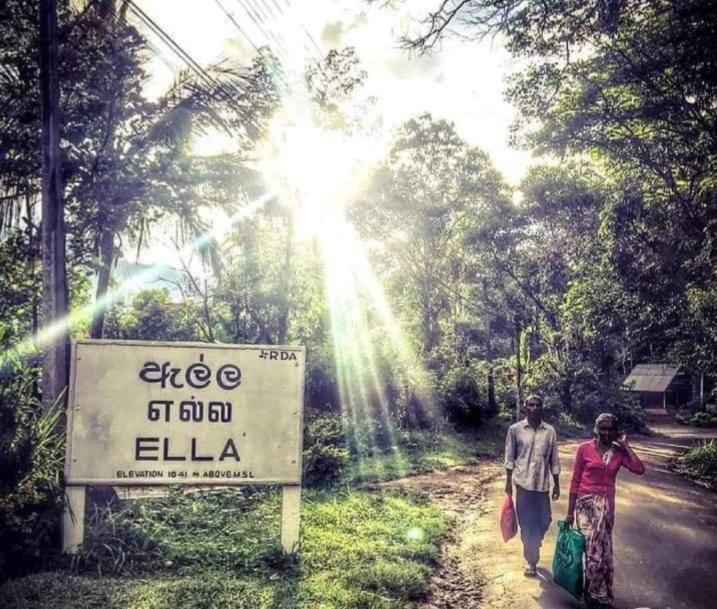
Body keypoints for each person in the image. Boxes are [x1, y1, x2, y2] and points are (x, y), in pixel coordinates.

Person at [565, 412, 645, 608]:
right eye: (603, 428)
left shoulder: (618, 453)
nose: (606, 432)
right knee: (592, 551)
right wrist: (569, 512)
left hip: (607, 509)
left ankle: (597, 592)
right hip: (585, 506)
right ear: (596, 429)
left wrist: (625, 446)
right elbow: (575, 480)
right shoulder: (584, 449)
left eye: (611, 429)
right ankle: (592, 592)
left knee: (603, 553)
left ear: (617, 431)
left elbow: (639, 468)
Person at [504, 395, 561, 577]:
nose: (535, 408)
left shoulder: (549, 431)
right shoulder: (515, 430)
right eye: (531, 405)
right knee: (527, 524)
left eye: (538, 405)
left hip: (542, 486)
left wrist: (557, 484)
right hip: (523, 486)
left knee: (545, 520)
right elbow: (509, 457)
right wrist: (508, 482)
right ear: (525, 408)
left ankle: (535, 541)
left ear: (542, 407)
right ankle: (532, 562)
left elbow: (554, 459)